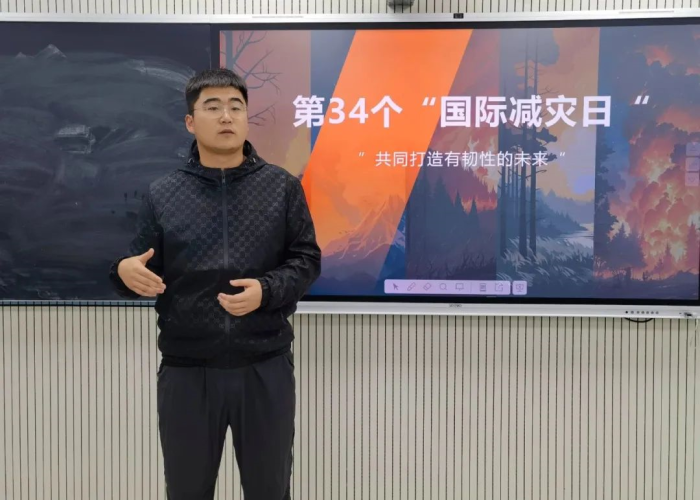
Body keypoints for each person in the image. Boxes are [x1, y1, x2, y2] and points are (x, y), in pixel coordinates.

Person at [109, 68, 321, 500]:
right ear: (191, 121)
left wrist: (266, 290)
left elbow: (306, 260)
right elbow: (138, 268)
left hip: (264, 366)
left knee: (270, 489)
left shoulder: (281, 188)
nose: (226, 116)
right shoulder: (163, 193)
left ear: (246, 118)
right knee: (186, 490)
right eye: (213, 107)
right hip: (187, 372)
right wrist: (123, 272)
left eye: (235, 107)